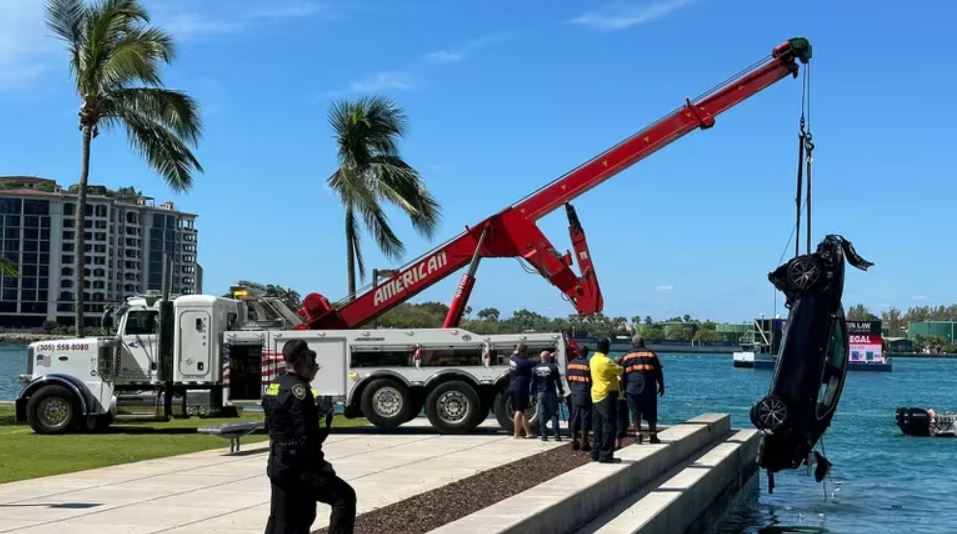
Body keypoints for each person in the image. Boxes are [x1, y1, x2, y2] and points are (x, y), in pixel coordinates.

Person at [263, 339, 356, 534]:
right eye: (312, 362)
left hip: (278, 461)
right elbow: (307, 436)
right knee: (344, 497)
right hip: (298, 466)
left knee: (283, 518)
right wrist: (322, 465)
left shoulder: (275, 385)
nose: (314, 367)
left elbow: (274, 424)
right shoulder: (301, 391)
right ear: (303, 361)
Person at [620, 334, 665, 444]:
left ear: (633, 343)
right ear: (643, 342)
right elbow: (658, 371)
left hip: (632, 388)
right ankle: (653, 436)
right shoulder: (651, 354)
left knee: (635, 412)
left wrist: (623, 390)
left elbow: (623, 375)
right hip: (649, 388)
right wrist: (661, 385)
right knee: (651, 412)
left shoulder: (627, 356)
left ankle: (638, 436)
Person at [590, 337, 623, 463]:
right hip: (607, 395)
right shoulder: (607, 361)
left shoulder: (593, 359)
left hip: (596, 395)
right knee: (609, 426)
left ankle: (595, 453)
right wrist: (619, 361)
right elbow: (620, 370)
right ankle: (606, 455)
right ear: (606, 348)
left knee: (597, 426)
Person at [531, 350, 564, 441]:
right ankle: (556, 435)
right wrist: (561, 391)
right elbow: (558, 381)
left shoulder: (535, 368)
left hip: (540, 393)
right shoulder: (553, 367)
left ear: (541, 358)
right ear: (549, 357)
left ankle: (544, 435)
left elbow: (533, 383)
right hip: (551, 393)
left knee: (542, 413)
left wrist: (531, 394)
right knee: (554, 413)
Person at [566, 344, 592, 451]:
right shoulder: (588, 364)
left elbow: (568, 379)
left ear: (578, 352)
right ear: (587, 353)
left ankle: (574, 441)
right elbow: (592, 380)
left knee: (574, 417)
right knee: (585, 418)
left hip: (574, 393)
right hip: (585, 393)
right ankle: (584, 442)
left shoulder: (570, 364)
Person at [509, 343, 538, 438]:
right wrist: (543, 359)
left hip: (515, 387)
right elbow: (530, 363)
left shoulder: (513, 358)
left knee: (525, 411)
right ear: (522, 352)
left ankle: (528, 433)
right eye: (526, 352)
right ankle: (516, 433)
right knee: (519, 411)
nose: (527, 354)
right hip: (520, 388)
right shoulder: (521, 363)